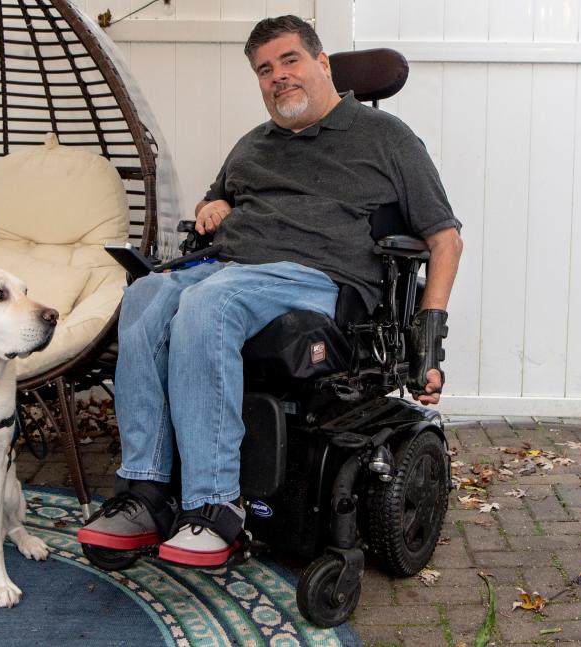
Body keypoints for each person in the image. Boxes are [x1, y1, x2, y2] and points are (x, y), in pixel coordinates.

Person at [77, 16, 463, 567]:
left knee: (210, 303)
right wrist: (216, 207)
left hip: (317, 279)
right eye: (265, 69)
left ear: (321, 63)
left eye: (290, 61)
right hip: (229, 265)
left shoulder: (387, 138)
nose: (278, 76)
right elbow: (218, 202)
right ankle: (147, 492)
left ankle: (216, 508)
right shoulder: (253, 143)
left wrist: (430, 342)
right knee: (146, 294)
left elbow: (444, 239)